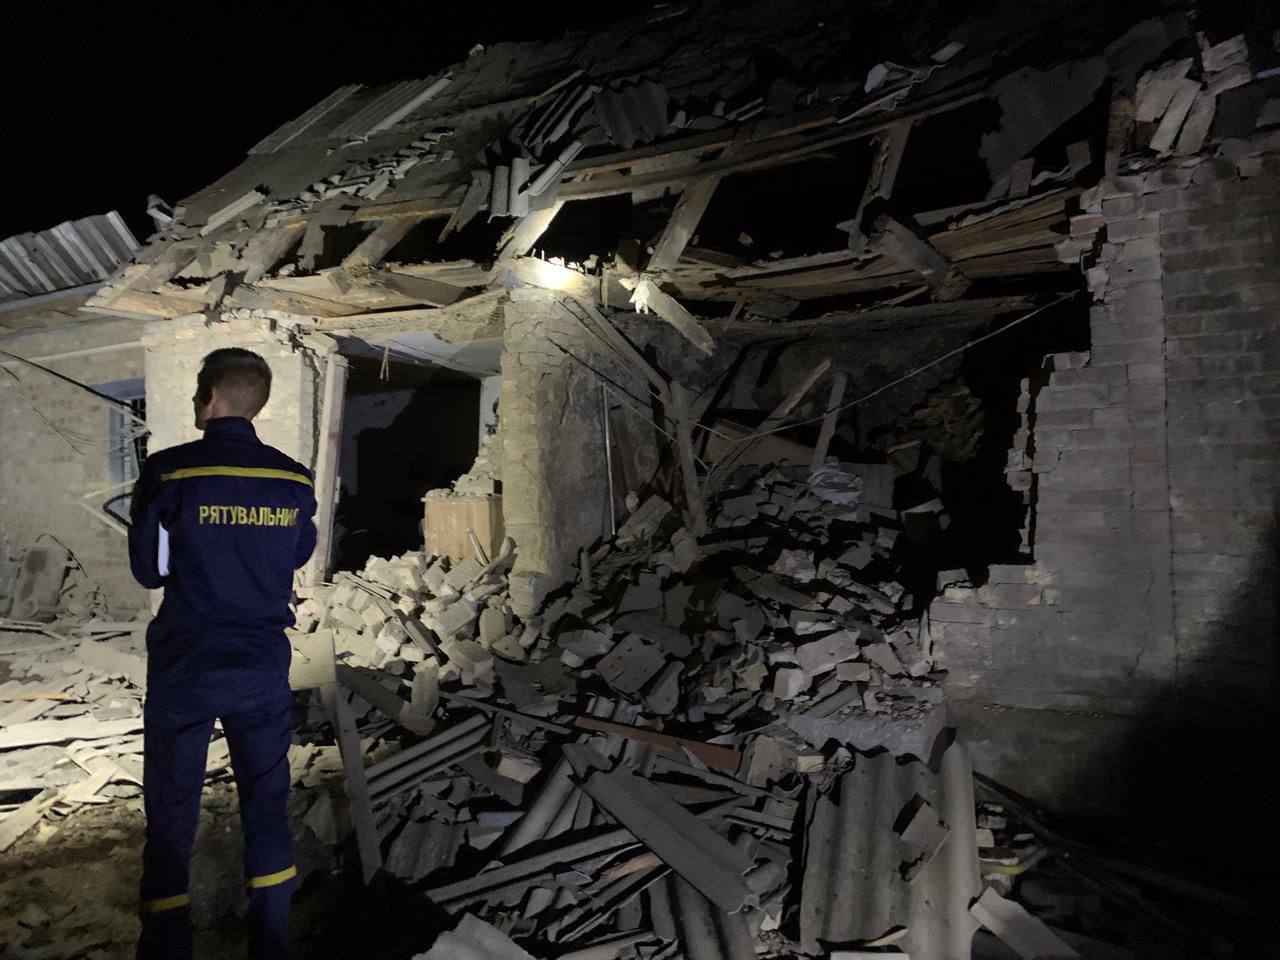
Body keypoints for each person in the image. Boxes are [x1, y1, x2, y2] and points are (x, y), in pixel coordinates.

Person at [128, 347, 318, 960]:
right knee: (266, 798)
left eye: (195, 395)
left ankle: (166, 946)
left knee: (172, 803)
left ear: (210, 398)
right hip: (260, 662)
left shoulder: (169, 472)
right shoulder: (293, 480)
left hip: (187, 661)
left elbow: (150, 571)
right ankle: (271, 941)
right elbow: (296, 554)